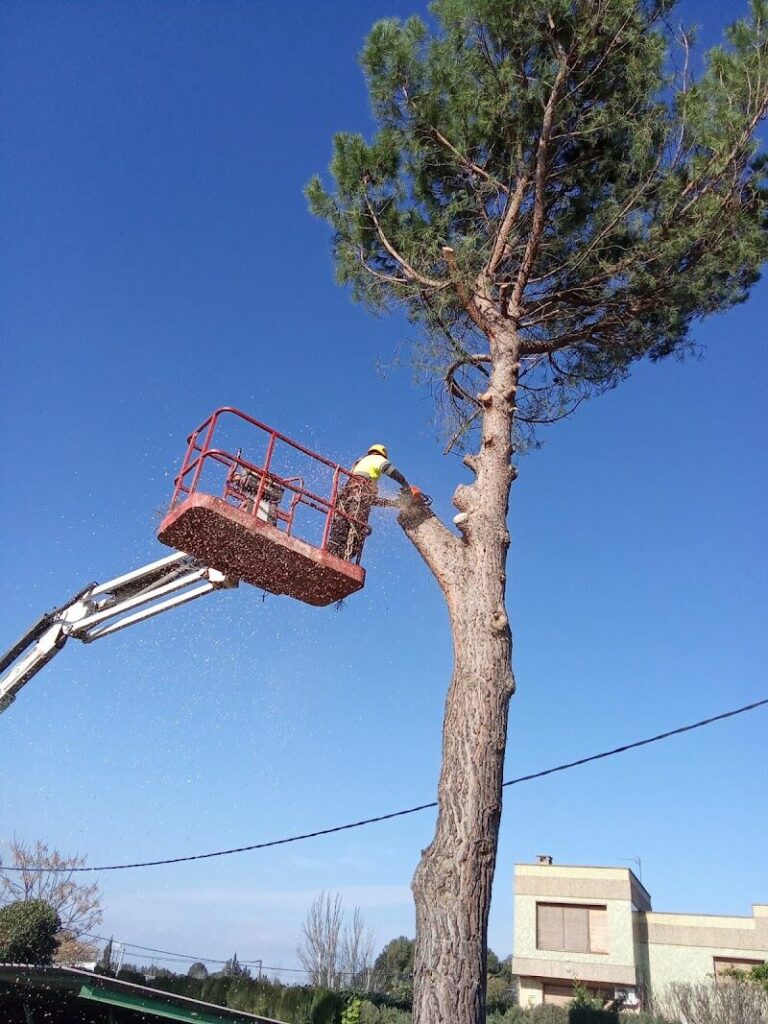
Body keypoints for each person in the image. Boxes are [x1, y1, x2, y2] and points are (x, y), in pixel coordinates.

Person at [327, 444, 421, 560]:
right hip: (355, 502)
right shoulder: (376, 459)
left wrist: (394, 504)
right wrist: (406, 485)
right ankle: (338, 557)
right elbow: (392, 472)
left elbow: (370, 500)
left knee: (340, 531)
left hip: (346, 498)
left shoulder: (359, 465)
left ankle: (332, 552)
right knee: (355, 537)